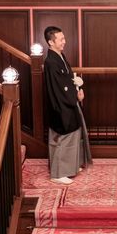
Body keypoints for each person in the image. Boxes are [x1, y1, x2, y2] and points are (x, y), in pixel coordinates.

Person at [43, 26, 92, 184]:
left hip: (67, 100)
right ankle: (58, 173)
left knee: (70, 135)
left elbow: (67, 81)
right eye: (61, 39)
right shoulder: (51, 62)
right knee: (64, 137)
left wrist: (77, 94)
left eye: (64, 38)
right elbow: (58, 87)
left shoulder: (59, 57)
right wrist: (72, 99)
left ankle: (69, 167)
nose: (64, 41)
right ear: (51, 42)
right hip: (60, 104)